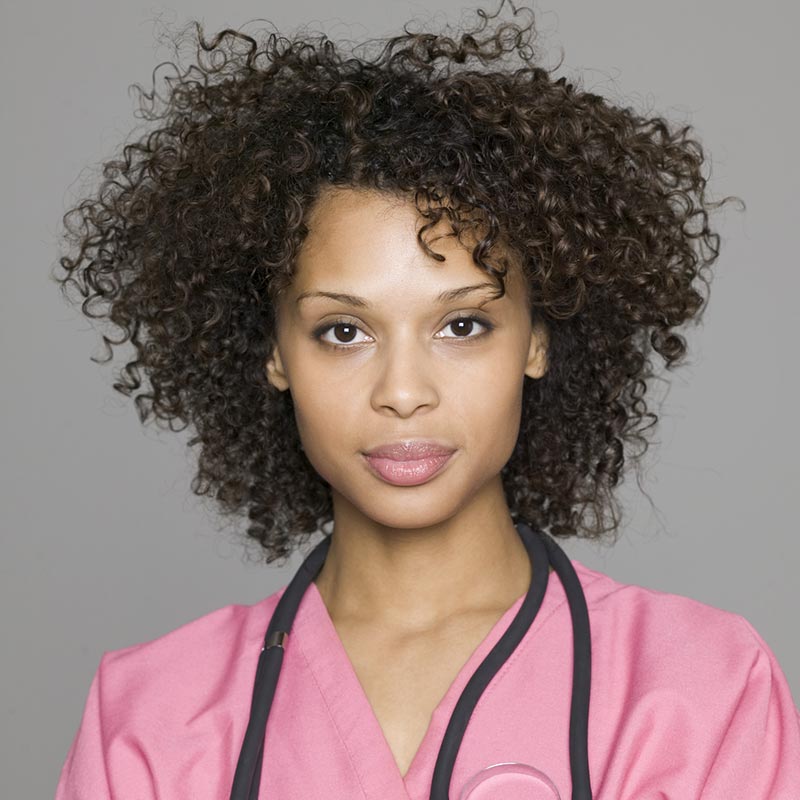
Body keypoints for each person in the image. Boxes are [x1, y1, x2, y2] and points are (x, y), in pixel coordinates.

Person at [52, 1, 800, 797]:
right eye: (343, 332)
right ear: (275, 354)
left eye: (464, 324)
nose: (403, 392)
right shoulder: (148, 718)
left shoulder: (701, 692)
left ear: (536, 342)